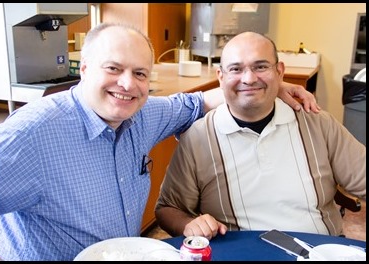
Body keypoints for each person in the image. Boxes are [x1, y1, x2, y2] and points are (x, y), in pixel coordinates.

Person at [0, 23, 319, 261]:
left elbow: (197, 103)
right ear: (85, 69)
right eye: (113, 68)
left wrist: (270, 87)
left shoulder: (142, 115)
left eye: (140, 73)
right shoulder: (32, 135)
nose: (127, 84)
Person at [155, 31, 366, 241]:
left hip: (319, 251)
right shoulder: (198, 138)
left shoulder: (317, 123)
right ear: (221, 77)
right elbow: (169, 208)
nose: (248, 78)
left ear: (280, 72)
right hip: (242, 255)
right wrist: (189, 225)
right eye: (236, 69)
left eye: (261, 67)